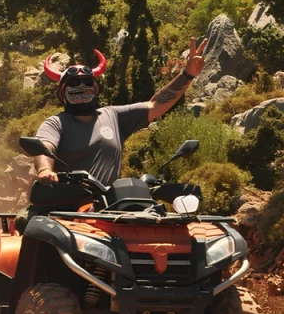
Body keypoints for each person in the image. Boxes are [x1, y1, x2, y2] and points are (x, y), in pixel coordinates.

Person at [14, 38, 209, 231]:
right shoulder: (56, 123)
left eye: (86, 82)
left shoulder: (114, 116)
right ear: (62, 92)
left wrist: (188, 74)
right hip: (69, 212)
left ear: (96, 88)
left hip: (112, 208)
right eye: (74, 84)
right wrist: (45, 171)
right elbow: (45, 148)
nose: (81, 87)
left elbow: (155, 105)